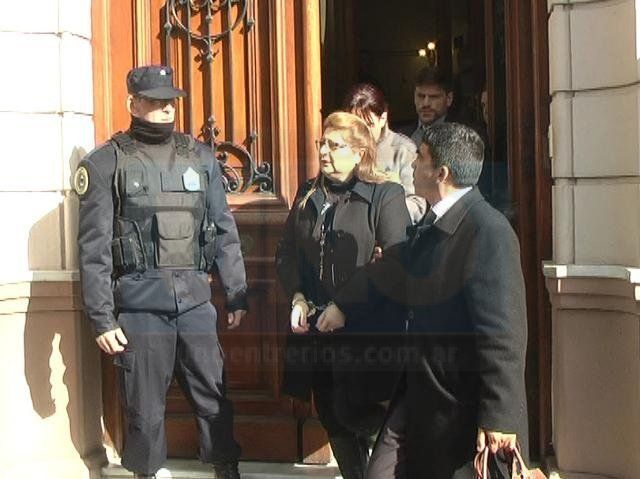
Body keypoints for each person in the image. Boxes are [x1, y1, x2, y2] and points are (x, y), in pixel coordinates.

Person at [75, 65, 247, 479]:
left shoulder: (200, 158)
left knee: (213, 397)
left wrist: (236, 292)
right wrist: (101, 318)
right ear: (132, 104)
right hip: (140, 307)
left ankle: (227, 469)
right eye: (155, 101)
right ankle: (146, 473)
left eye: (171, 100)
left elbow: (223, 229)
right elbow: (94, 248)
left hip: (195, 304)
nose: (167, 108)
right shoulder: (106, 163)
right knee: (144, 408)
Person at [364, 122, 529, 478]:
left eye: (420, 158)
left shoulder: (489, 230)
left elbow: (503, 334)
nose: (411, 164)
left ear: (441, 173)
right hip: (419, 393)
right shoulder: (434, 222)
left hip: (461, 406)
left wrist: (500, 416)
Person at [275, 111, 411, 479]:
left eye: (335, 146)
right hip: (316, 330)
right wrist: (297, 296)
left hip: (367, 330)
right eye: (322, 143)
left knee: (364, 415)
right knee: (331, 412)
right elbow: (287, 252)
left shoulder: (385, 194)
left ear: (360, 152)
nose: (323, 152)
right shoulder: (308, 193)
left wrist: (344, 306)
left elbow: (396, 261)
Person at [343, 83, 426, 223]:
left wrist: (382, 213)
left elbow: (417, 203)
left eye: (368, 125)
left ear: (382, 118)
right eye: (355, 126)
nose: (361, 133)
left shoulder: (402, 150)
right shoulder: (341, 147)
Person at [402, 66, 454, 148]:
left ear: (449, 99)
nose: (426, 103)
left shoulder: (464, 137)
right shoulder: (401, 137)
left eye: (433, 97)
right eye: (421, 96)